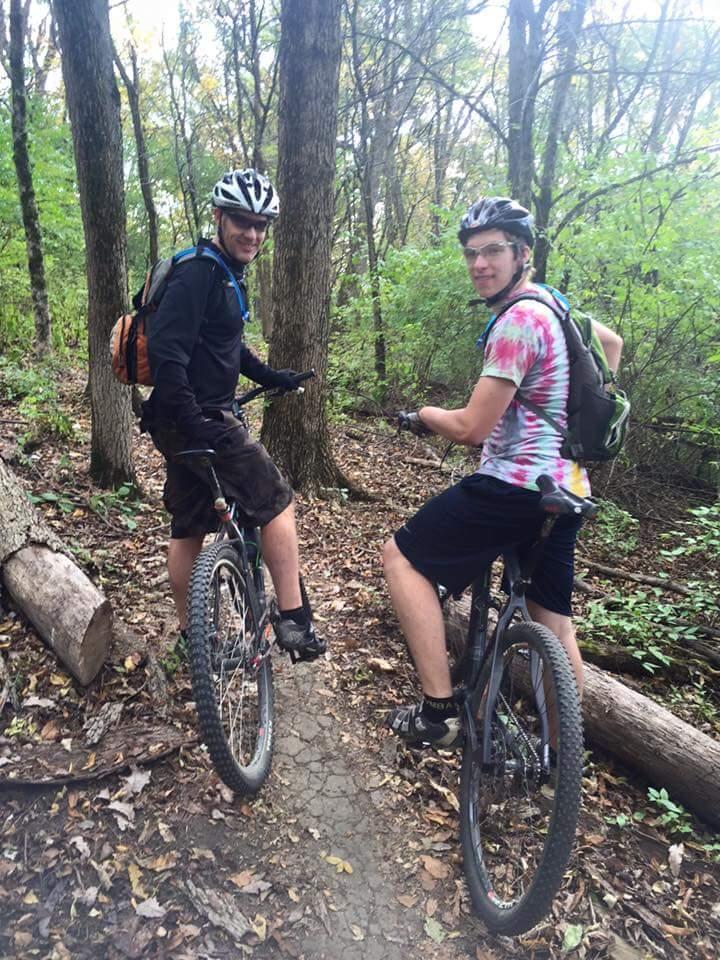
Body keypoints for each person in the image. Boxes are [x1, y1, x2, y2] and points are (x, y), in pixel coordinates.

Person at [383, 196, 622, 746]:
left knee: (401, 558)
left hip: (513, 486)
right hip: (568, 488)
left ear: (522, 254)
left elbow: (471, 427)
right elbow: (611, 343)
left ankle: (437, 714)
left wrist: (422, 415)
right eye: (471, 253)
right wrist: (571, 409)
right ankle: (564, 758)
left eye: (493, 251)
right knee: (555, 624)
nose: (479, 264)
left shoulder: (517, 321)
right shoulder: (554, 305)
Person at [141, 168, 324, 660]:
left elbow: (228, 346)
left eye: (262, 225)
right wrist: (196, 421)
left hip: (180, 420)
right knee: (277, 503)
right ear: (219, 218)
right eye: (242, 221)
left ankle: (189, 639)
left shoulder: (221, 274)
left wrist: (271, 377)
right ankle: (294, 620)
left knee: (189, 526)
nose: (253, 233)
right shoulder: (198, 273)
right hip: (196, 417)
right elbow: (167, 355)